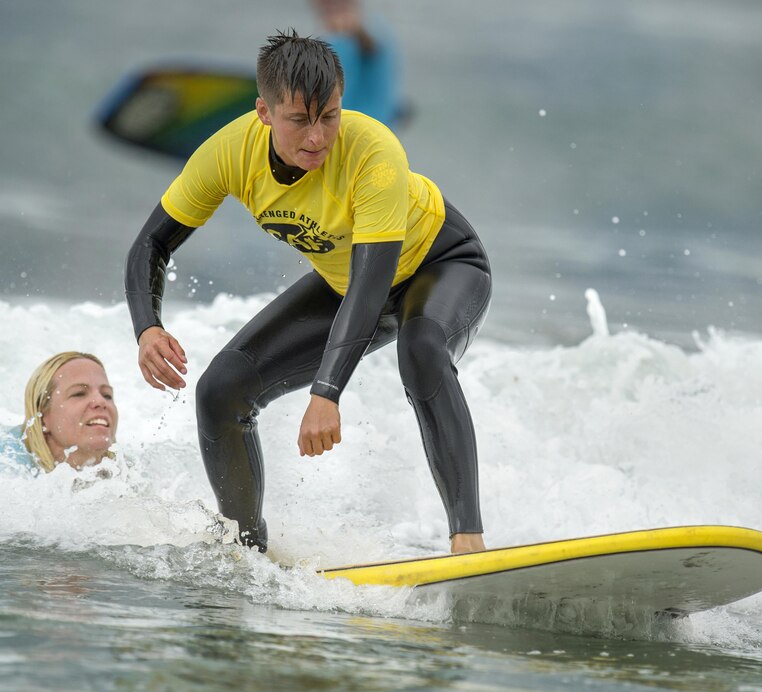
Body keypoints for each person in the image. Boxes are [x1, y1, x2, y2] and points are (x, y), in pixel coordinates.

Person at [125, 30, 491, 555]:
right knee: (220, 391)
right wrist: (148, 326)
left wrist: (327, 392)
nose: (318, 136)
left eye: (330, 116)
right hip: (351, 280)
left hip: (443, 263)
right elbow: (150, 245)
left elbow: (372, 286)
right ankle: (244, 551)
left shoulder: (373, 150)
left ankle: (468, 540)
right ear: (264, 112)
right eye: (300, 119)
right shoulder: (229, 154)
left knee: (422, 348)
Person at [0, 351, 119, 472]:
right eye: (79, 393)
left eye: (107, 395)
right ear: (42, 416)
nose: (101, 401)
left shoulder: (131, 474)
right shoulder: (1, 469)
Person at [312, 0, 405, 129]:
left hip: (359, 134)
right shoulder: (379, 31)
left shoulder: (361, 34)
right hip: (367, 132)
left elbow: (371, 46)